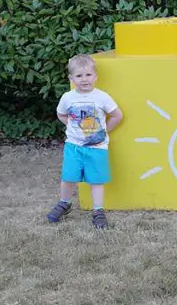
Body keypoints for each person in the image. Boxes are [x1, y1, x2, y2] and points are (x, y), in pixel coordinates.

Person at [46, 54, 123, 229]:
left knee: (96, 180)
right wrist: (73, 127)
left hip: (97, 147)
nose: (84, 79)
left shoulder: (102, 97)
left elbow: (117, 115)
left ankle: (98, 210)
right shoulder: (68, 97)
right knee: (68, 177)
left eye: (88, 75)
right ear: (71, 78)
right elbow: (61, 114)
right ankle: (64, 203)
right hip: (74, 146)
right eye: (79, 76)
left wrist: (102, 132)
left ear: (95, 76)